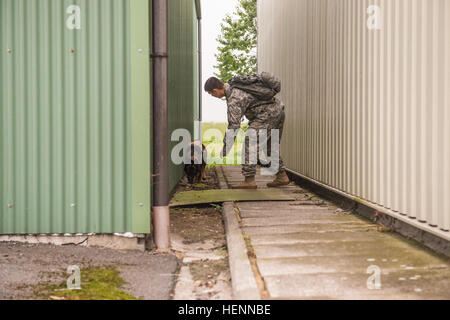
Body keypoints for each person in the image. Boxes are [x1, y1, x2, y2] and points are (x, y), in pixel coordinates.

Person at [204, 73, 290, 189]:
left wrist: (226, 148)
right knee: (269, 146)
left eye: (211, 93)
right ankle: (282, 176)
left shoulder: (234, 98)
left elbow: (234, 125)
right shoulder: (237, 86)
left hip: (266, 115)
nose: (212, 96)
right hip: (278, 111)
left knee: (250, 141)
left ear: (215, 90)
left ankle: (249, 180)